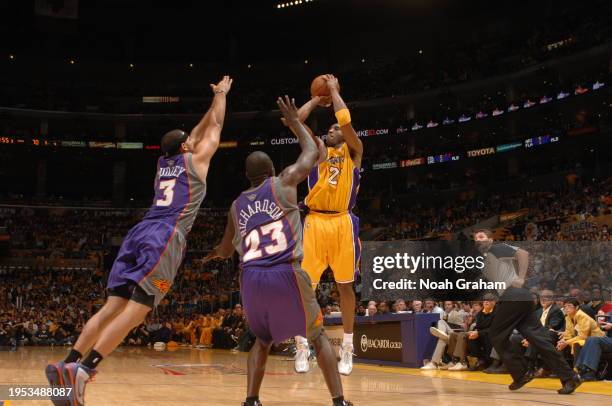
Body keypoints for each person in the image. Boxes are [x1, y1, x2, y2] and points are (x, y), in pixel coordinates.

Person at [44, 75, 233, 406]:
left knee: (112, 306)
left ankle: (68, 361)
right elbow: (214, 124)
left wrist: (208, 109)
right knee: (138, 311)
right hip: (165, 235)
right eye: (190, 141)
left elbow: (199, 132)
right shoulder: (196, 162)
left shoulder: (163, 164)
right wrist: (221, 95)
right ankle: (84, 371)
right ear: (186, 147)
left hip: (139, 231)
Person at [205, 96, 351, 406]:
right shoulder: (283, 182)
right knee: (318, 336)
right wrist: (296, 122)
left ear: (247, 177)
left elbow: (225, 248)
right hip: (285, 271)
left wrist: (215, 254)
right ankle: (339, 401)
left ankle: (251, 400)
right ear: (272, 169)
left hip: (252, 278)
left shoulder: (235, 205)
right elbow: (312, 152)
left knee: (262, 340)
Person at [292, 74, 363, 375]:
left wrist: (334, 92)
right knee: (304, 288)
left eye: (336, 129)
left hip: (343, 223)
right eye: (329, 129)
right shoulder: (317, 153)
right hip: (315, 222)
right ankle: (301, 345)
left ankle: (347, 347)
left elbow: (345, 121)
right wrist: (315, 99)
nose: (332, 131)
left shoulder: (354, 152)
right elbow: (295, 121)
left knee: (345, 287)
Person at [474, 229, 581, 395]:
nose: (478, 240)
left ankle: (522, 373)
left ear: (490, 239)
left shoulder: (496, 248)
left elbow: (523, 253)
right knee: (540, 341)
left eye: (481, 237)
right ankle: (570, 377)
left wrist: (521, 277)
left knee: (496, 334)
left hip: (515, 296)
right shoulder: (487, 260)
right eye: (475, 239)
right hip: (521, 299)